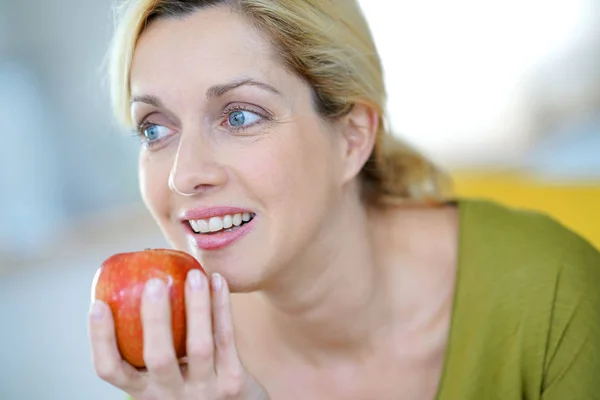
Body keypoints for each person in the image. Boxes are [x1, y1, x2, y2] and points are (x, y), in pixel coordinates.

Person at [87, 1, 600, 399]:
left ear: (352, 137)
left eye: (239, 116)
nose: (183, 175)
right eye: (154, 129)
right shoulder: (181, 364)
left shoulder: (552, 294)